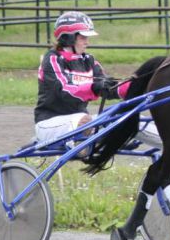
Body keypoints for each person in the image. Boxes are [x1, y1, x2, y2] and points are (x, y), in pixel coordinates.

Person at [34, 11, 130, 148]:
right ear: (69, 38)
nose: (87, 42)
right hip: (49, 124)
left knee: (123, 116)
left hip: (82, 122)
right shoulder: (53, 59)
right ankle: (92, 143)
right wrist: (93, 87)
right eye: (83, 37)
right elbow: (64, 91)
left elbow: (108, 86)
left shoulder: (88, 60)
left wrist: (137, 86)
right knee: (83, 121)